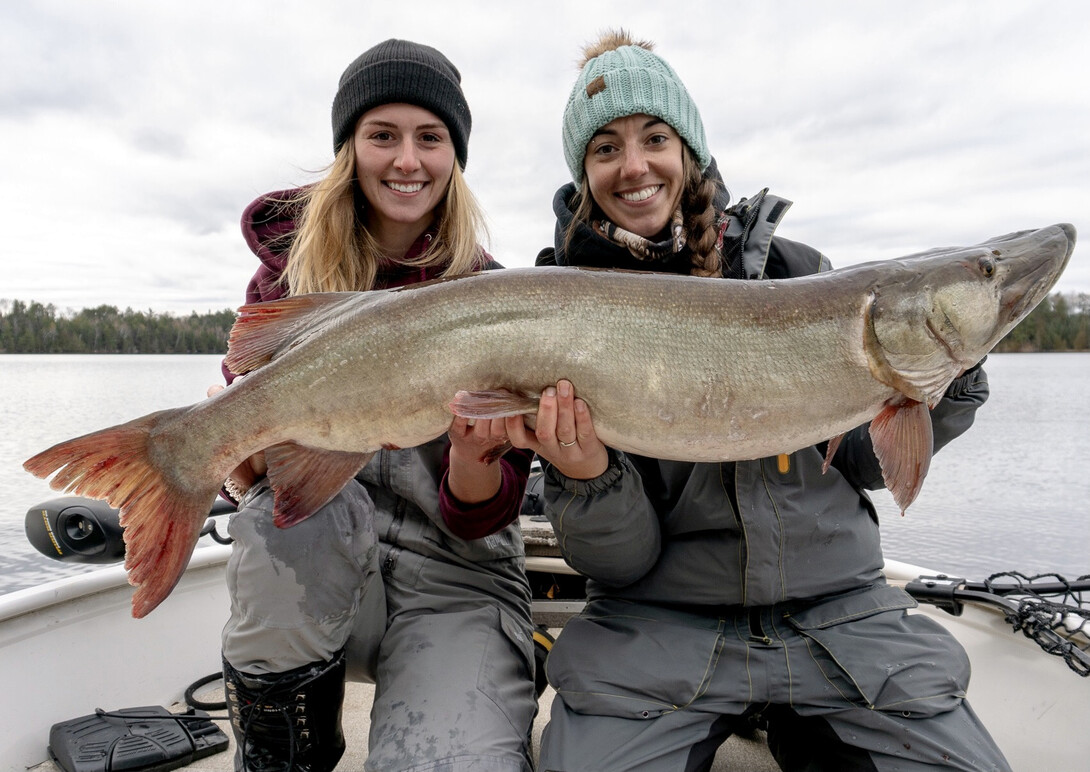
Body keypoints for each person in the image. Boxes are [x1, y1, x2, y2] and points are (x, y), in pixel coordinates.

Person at [506, 30, 1011, 772]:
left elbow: (871, 463)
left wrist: (946, 371)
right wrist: (585, 473)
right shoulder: (560, 320)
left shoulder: (795, 271)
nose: (635, 165)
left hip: (841, 615)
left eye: (655, 137)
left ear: (691, 151)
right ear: (584, 173)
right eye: (605, 148)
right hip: (659, 625)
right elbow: (624, 559)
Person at [216, 39, 537, 772]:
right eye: (381, 135)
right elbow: (258, 482)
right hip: (328, 571)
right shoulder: (288, 280)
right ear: (348, 148)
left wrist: (470, 453)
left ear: (454, 154)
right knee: (272, 525)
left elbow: (480, 515)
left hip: (456, 579)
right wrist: (241, 452)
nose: (407, 160)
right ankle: (285, 754)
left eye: (430, 137)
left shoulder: (501, 299)